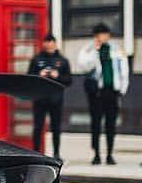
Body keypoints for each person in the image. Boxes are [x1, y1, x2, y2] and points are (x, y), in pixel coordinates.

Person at [77, 22, 129, 164]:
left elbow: (124, 70)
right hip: (96, 93)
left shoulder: (116, 50)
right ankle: (97, 154)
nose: (104, 37)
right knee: (96, 123)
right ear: (95, 36)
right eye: (100, 34)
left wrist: (122, 89)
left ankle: (110, 154)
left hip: (112, 91)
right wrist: (95, 51)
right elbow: (84, 67)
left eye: (106, 34)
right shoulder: (88, 50)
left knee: (111, 124)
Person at [27, 34, 71, 158]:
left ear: (55, 44)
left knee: (56, 128)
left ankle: (56, 153)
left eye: (51, 43)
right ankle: (35, 152)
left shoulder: (62, 61)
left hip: (56, 99)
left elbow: (69, 80)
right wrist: (39, 74)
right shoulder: (36, 59)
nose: (48, 45)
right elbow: (28, 77)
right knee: (37, 127)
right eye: (46, 43)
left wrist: (58, 76)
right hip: (39, 98)